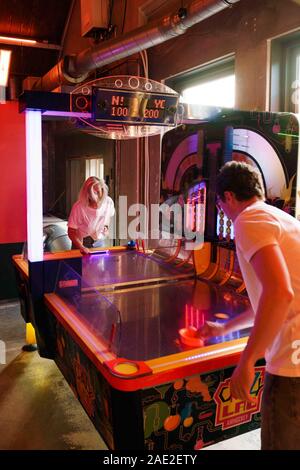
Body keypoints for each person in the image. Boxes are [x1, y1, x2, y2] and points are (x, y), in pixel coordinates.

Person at [198, 161, 300, 450]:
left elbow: (280, 293)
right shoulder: (280, 218)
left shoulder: (249, 220)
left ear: (228, 197)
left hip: (292, 365)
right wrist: (224, 327)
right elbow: (266, 300)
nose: (224, 214)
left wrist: (247, 360)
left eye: (220, 205)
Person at [68, 176, 115, 255]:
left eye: (97, 192)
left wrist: (106, 226)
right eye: (92, 194)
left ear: (103, 191)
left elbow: (109, 216)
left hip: (99, 242)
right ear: (86, 193)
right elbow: (71, 231)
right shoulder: (79, 207)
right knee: (80, 267)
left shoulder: (108, 202)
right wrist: (81, 247)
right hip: (81, 243)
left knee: (99, 266)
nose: (95, 197)